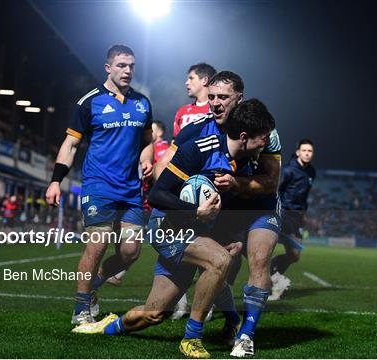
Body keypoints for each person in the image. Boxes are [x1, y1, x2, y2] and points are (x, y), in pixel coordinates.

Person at [72, 99, 276, 359]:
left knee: (154, 313)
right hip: (166, 227)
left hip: (194, 234)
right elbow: (157, 195)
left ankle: (105, 328)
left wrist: (232, 237)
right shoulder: (199, 150)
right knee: (219, 261)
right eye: (263, 137)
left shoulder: (245, 164)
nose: (266, 143)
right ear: (245, 137)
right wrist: (195, 212)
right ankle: (191, 338)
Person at [155, 73, 283, 357]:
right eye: (211, 97)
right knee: (220, 267)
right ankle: (231, 321)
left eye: (222, 97)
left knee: (259, 260)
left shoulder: (265, 131)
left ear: (240, 97)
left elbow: (271, 182)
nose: (214, 103)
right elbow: (165, 170)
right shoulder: (195, 131)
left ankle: (246, 336)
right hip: (222, 212)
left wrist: (236, 184)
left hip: (260, 206)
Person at [45, 44, 154, 325]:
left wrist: (146, 160)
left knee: (130, 253)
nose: (127, 70)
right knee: (98, 244)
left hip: (130, 189)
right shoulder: (89, 102)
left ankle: (93, 286)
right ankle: (81, 309)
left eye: (131, 65)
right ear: (108, 68)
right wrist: (56, 181)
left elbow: (146, 143)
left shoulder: (142, 103)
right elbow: (70, 145)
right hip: (98, 184)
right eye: (121, 65)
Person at [105, 120, 169, 287]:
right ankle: (118, 272)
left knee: (165, 245)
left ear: (160, 133)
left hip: (158, 203)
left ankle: (117, 273)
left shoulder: (164, 149)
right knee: (137, 243)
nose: (148, 132)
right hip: (144, 200)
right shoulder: (146, 148)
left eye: (152, 130)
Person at [269, 139, 316, 300]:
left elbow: (304, 196)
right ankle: (272, 279)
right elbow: (277, 191)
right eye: (304, 150)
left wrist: (303, 215)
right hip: (284, 214)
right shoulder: (288, 170)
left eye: (310, 151)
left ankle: (272, 269)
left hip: (296, 217)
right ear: (298, 152)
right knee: (267, 246)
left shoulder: (311, 172)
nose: (307, 153)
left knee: (295, 255)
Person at [172, 63, 216, 139]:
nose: (187, 82)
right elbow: (174, 143)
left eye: (191, 78)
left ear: (205, 80)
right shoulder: (182, 111)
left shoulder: (217, 110)